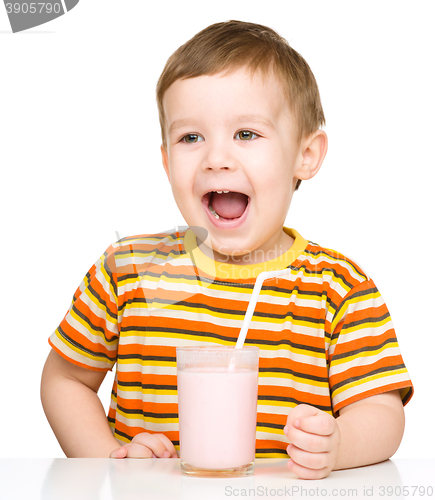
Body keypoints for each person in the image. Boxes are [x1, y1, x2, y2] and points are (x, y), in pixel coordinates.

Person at [41, 20, 413, 479]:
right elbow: (64, 379)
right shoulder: (131, 271)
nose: (216, 158)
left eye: (246, 134)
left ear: (306, 155)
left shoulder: (338, 289)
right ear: (166, 161)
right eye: (190, 138)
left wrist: (339, 445)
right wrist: (109, 463)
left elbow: (383, 412)